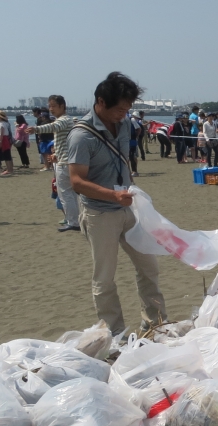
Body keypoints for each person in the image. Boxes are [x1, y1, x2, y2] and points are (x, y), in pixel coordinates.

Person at [68, 71, 167, 335]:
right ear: (101, 102)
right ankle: (116, 333)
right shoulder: (81, 136)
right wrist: (112, 196)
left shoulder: (124, 124)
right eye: (119, 109)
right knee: (105, 278)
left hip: (129, 209)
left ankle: (155, 323)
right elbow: (76, 181)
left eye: (127, 109)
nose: (124, 114)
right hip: (100, 213)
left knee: (149, 268)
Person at [36, 95, 80, 232]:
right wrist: (56, 154)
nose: (51, 109)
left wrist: (35, 129)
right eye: (49, 106)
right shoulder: (68, 120)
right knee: (72, 193)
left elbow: (54, 126)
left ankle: (73, 222)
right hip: (68, 159)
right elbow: (65, 142)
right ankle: (77, 220)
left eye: (53, 106)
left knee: (65, 193)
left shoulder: (64, 120)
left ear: (62, 106)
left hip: (65, 162)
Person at [0, 111, 15, 176]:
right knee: (7, 155)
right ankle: (10, 169)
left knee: (6, 155)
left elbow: (2, 134)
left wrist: (0, 142)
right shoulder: (4, 123)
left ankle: (9, 170)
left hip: (3, 140)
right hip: (4, 139)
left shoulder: (2, 124)